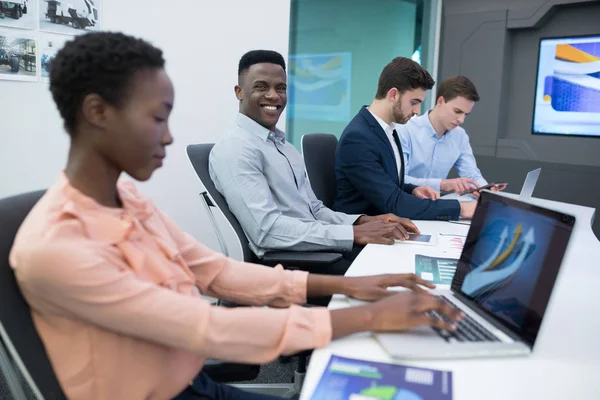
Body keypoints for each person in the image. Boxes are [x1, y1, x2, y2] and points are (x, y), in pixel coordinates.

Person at [9, 33, 463, 400]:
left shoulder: (127, 199)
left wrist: (349, 286)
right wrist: (369, 316)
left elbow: (219, 273)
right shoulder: (57, 247)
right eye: (156, 118)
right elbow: (207, 327)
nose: (169, 137)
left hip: (192, 382)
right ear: (97, 113)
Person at [209, 50, 420, 276]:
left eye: (281, 88)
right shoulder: (236, 149)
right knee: (398, 279)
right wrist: (352, 235)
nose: (273, 96)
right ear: (239, 92)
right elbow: (267, 231)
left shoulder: (284, 147)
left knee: (406, 260)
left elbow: (314, 210)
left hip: (319, 250)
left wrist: (363, 222)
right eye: (261, 87)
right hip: (291, 265)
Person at [333, 57, 477, 221]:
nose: (417, 110)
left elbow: (384, 184)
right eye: (414, 102)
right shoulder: (358, 138)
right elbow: (394, 203)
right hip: (366, 234)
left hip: (387, 223)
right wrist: (461, 208)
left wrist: (412, 189)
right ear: (393, 94)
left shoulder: (387, 129)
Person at [397, 76, 506, 196]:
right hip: (404, 203)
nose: (461, 120)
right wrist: (442, 184)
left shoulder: (460, 136)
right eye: (457, 111)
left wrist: (485, 190)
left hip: (435, 205)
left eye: (466, 114)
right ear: (440, 102)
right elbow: (400, 179)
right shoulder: (405, 130)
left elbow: (471, 174)